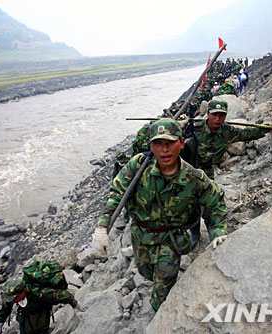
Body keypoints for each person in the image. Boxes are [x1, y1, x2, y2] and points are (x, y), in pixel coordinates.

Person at [92, 118, 228, 311]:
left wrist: (218, 231)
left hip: (170, 239)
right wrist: (102, 227)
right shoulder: (138, 166)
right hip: (141, 235)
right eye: (158, 144)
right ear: (151, 145)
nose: (164, 150)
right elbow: (117, 192)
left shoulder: (194, 178)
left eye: (170, 143)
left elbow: (216, 204)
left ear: (181, 143)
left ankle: (160, 314)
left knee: (162, 287)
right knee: (146, 272)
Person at [181, 99, 272, 247]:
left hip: (207, 170)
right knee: (190, 202)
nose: (218, 119)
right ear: (208, 114)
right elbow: (172, 137)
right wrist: (180, 124)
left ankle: (213, 229)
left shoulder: (227, 131)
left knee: (210, 200)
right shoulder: (195, 127)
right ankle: (194, 232)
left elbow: (247, 134)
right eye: (215, 115)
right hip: (189, 169)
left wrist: (266, 128)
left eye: (222, 115)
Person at [0, 275, 85, 334]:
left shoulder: (38, 292)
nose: (12, 301)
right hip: (24, 314)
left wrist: (75, 304)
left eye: (14, 298)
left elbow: (62, 295)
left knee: (39, 331)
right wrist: (0, 321)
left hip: (40, 314)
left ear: (23, 291)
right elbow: (6, 306)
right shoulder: (11, 295)